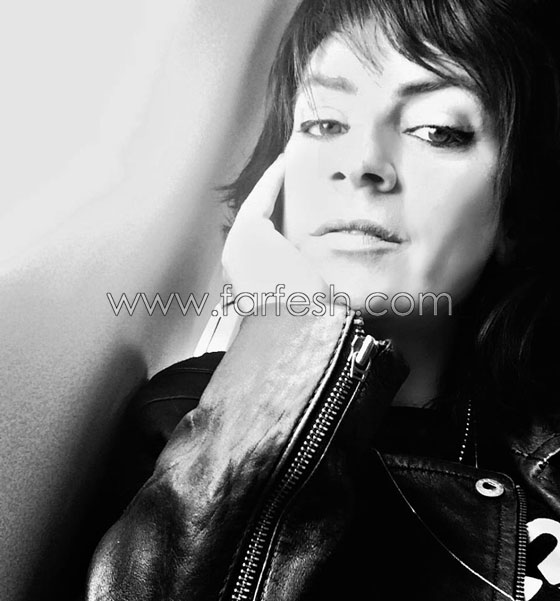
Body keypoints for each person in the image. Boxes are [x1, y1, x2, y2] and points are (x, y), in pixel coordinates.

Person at [86, 0, 559, 599]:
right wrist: (291, 330)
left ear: (512, 213)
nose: (362, 163)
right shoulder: (179, 418)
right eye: (325, 123)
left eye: (437, 130)